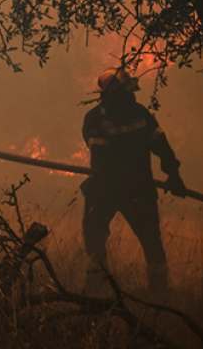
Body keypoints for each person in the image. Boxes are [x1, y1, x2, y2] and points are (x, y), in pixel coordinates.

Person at [80, 67, 186, 294]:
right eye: (126, 90)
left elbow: (161, 147)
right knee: (99, 236)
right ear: (115, 92)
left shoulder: (129, 114)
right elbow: (103, 159)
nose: (131, 95)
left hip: (114, 188)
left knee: (148, 241)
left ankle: (156, 291)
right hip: (128, 188)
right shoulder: (110, 117)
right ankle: (97, 288)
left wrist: (173, 173)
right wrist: (172, 173)